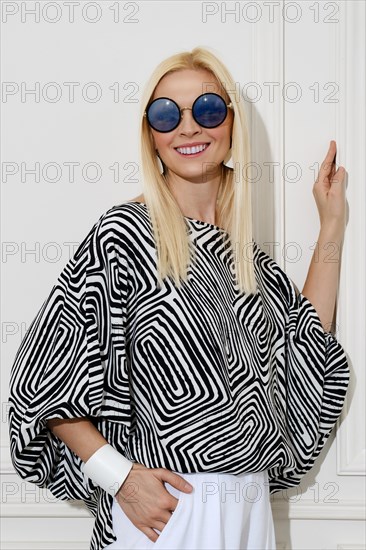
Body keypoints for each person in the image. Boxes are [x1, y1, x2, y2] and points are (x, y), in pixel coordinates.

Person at [8, 46, 350, 550]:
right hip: (168, 512)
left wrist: (332, 223)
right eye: (167, 114)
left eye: (207, 109)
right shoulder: (124, 234)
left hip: (248, 512)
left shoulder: (245, 257)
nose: (188, 128)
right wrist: (120, 477)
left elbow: (307, 347)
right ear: (151, 134)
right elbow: (43, 382)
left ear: (231, 123)